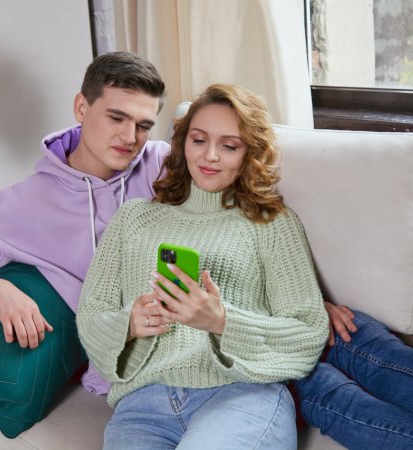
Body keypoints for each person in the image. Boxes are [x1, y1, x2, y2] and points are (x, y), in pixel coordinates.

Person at [76, 83, 329, 450]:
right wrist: (127, 325)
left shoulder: (271, 223)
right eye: (199, 140)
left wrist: (222, 321)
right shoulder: (133, 218)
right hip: (141, 405)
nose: (210, 156)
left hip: (240, 395)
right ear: (183, 144)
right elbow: (90, 318)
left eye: (229, 146)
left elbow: (309, 333)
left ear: (249, 153)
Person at [0, 51, 168, 394]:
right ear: (81, 108)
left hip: (192, 346)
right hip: (129, 374)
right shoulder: (25, 202)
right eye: (117, 117)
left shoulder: (162, 164)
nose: (130, 137)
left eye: (143, 125)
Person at [294, 302, 413, 448]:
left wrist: (309, 302)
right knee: (338, 400)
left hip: (320, 327)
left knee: (383, 363)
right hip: (279, 374)